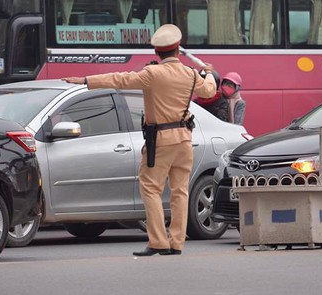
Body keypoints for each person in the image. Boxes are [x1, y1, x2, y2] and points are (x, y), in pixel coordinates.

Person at [63, 24, 216, 256]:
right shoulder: (191, 73)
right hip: (185, 140)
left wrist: (86, 80)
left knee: (151, 188)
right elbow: (208, 91)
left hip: (161, 140)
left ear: (157, 52)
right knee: (180, 192)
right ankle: (176, 242)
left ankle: (158, 241)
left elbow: (119, 79)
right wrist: (208, 73)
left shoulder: (152, 74)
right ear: (177, 50)